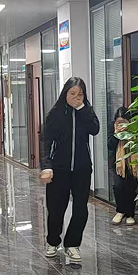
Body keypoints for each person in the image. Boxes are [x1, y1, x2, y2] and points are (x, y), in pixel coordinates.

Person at [40, 77, 100, 264]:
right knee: (56, 209)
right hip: (59, 169)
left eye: (80, 94)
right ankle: (53, 241)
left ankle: (72, 244)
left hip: (82, 169)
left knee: (81, 209)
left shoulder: (86, 111)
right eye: (72, 93)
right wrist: (47, 166)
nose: (76, 97)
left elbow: (95, 129)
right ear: (65, 93)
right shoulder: (55, 114)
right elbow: (46, 142)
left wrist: (82, 109)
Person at [108, 107, 138, 225]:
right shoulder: (112, 127)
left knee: (131, 187)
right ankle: (120, 211)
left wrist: (130, 132)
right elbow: (110, 145)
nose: (121, 125)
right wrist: (116, 133)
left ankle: (130, 214)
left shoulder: (135, 128)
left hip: (132, 162)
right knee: (118, 186)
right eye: (118, 122)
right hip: (117, 163)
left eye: (124, 122)